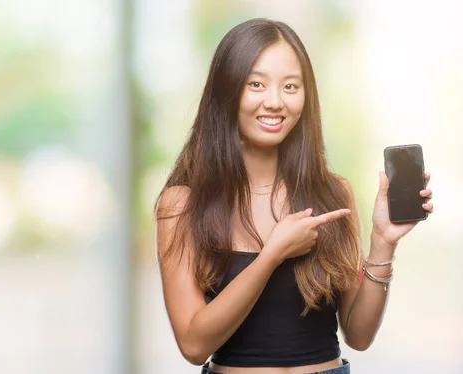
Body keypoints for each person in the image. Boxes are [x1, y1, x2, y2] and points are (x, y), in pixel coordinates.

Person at [154, 18, 433, 374]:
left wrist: (382, 242)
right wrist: (272, 254)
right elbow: (193, 345)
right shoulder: (182, 204)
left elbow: (359, 336)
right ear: (226, 90)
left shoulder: (333, 191)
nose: (275, 102)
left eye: (290, 86)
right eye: (256, 83)